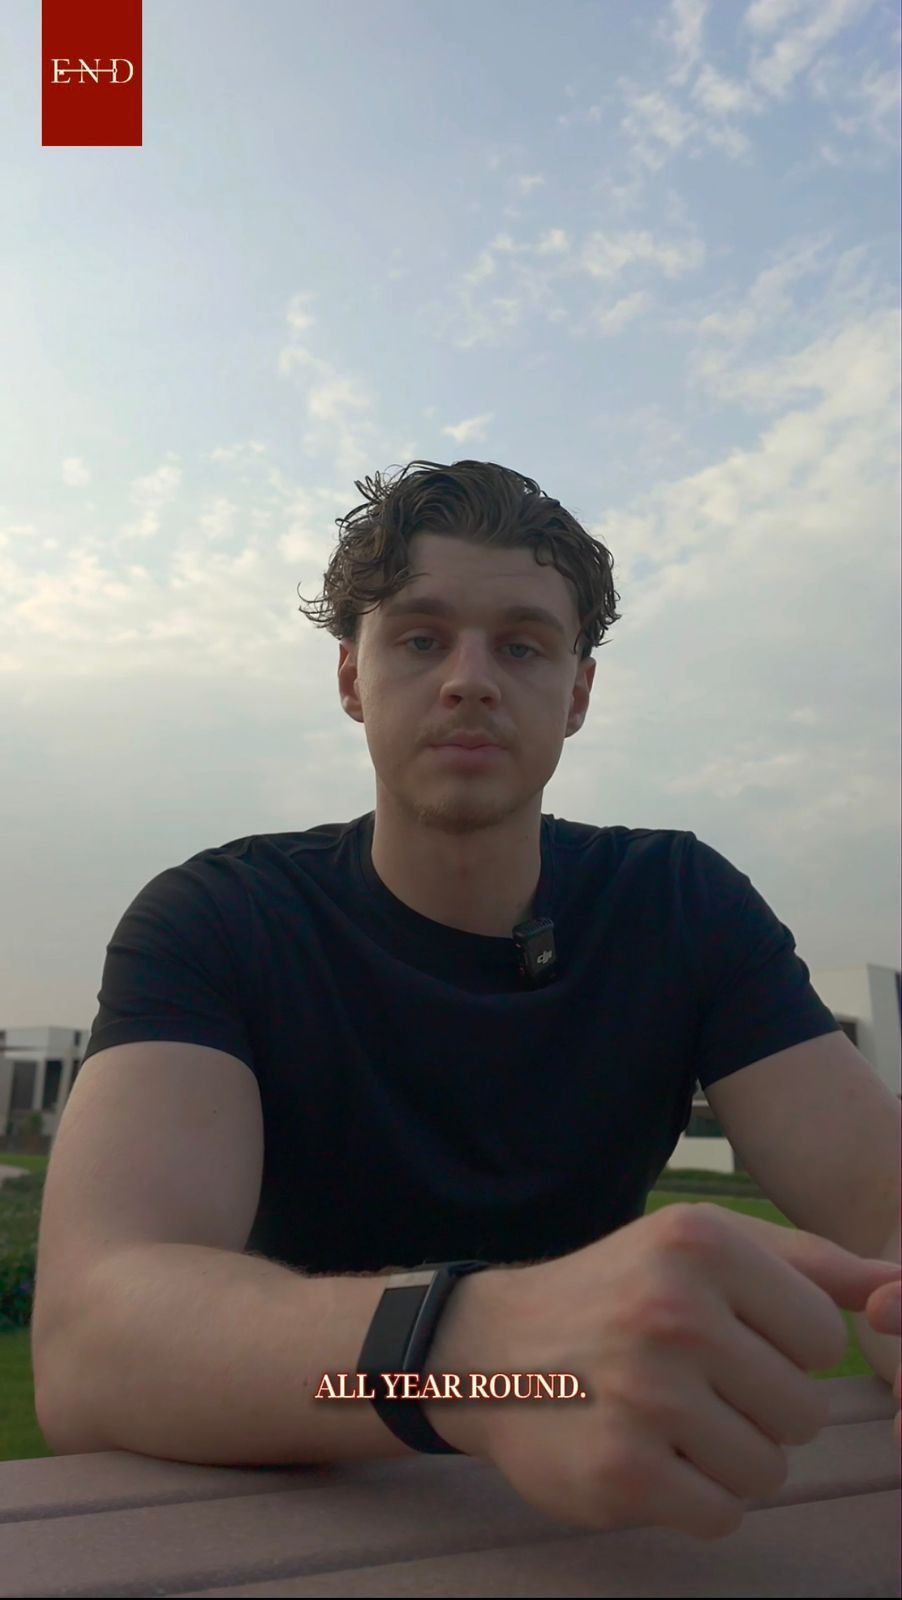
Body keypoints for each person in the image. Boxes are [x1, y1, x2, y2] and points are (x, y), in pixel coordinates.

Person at [32, 460, 901, 1542]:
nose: (468, 681)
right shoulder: (217, 920)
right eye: (419, 638)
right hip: (285, 1519)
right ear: (351, 678)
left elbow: (885, 1210)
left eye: (523, 645)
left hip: (609, 1539)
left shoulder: (681, 905)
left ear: (577, 695)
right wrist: (478, 1355)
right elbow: (92, 1339)